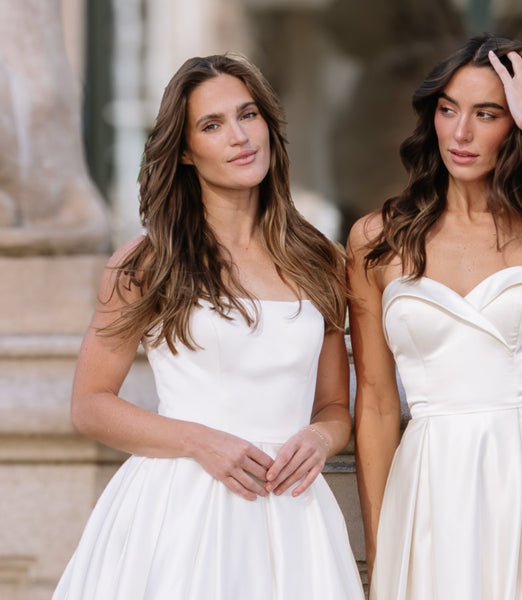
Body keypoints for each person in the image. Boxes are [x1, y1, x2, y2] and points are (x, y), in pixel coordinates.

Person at [53, 54, 364, 599]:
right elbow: (91, 403)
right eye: (213, 125)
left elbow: (335, 407)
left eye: (248, 115)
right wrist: (201, 442)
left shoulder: (320, 260)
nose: (240, 137)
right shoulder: (148, 264)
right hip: (179, 510)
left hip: (292, 518)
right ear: (186, 152)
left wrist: (319, 437)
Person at [347, 33, 522, 599]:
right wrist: (382, 546)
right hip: (431, 483)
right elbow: (377, 402)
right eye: (449, 110)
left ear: (514, 127)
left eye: (488, 114)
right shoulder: (376, 238)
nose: (461, 133)